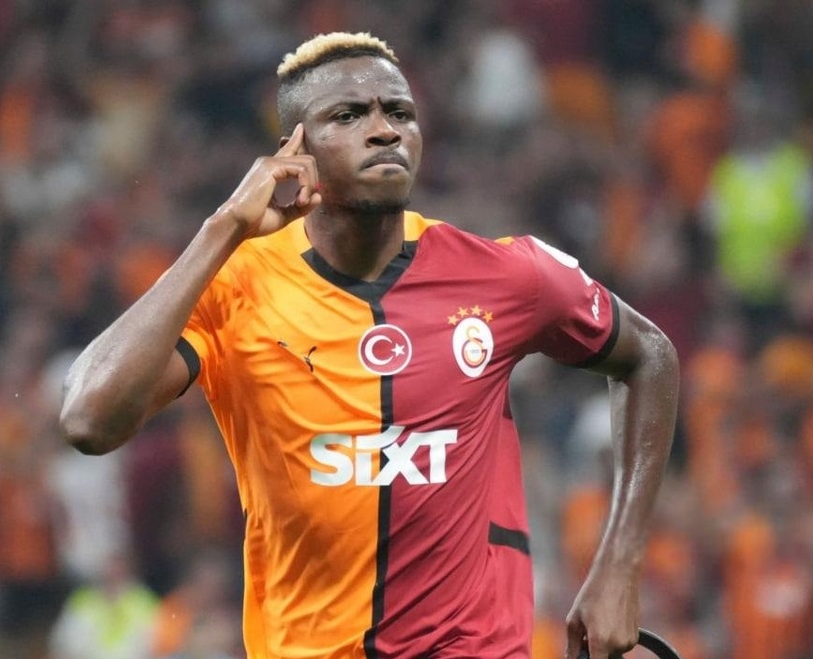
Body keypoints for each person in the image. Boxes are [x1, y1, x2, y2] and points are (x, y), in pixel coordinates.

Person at [60, 32, 679, 659]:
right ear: (294, 151)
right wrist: (223, 229)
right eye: (349, 115)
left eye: (400, 112)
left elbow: (649, 356)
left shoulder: (505, 274)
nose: (384, 130)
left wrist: (619, 566)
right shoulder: (238, 286)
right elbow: (88, 419)